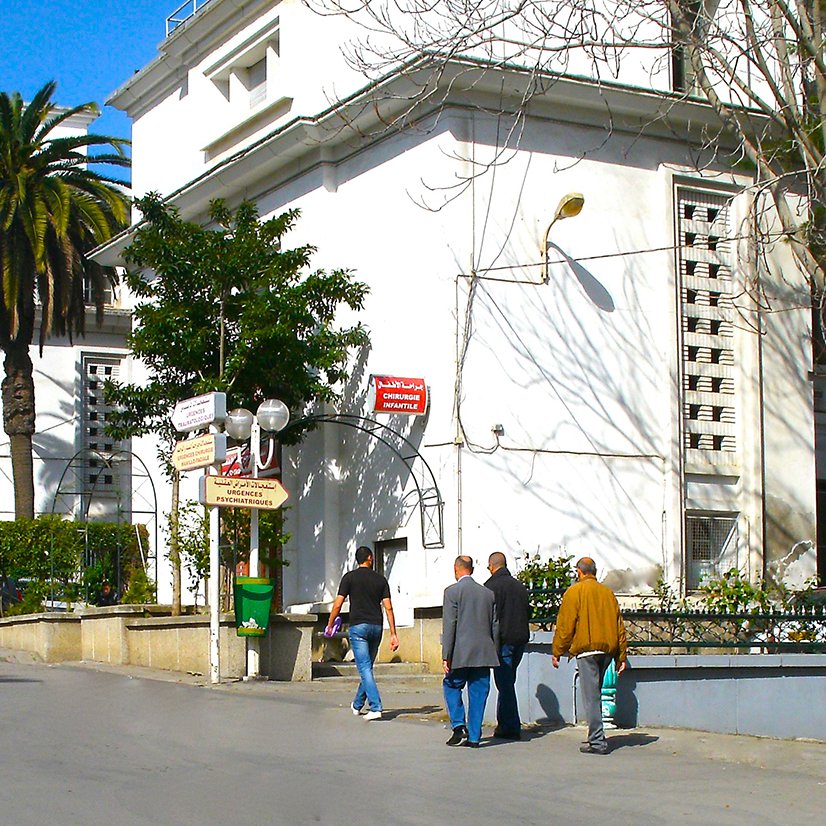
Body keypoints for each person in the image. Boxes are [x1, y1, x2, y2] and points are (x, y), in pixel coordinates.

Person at [552, 556, 628, 755]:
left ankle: (597, 741)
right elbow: (619, 625)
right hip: (607, 651)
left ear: (579, 571)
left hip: (587, 650)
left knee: (591, 697)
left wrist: (558, 650)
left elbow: (566, 625)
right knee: (596, 695)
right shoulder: (607, 593)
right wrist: (621, 655)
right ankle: (595, 736)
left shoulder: (574, 592)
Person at [326, 546, 399, 721]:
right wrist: (393, 634)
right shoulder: (381, 580)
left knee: (364, 668)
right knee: (367, 668)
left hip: (358, 627)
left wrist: (330, 624)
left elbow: (337, 604)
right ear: (370, 558)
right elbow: (388, 607)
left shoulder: (349, 578)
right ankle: (357, 704)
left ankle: (376, 707)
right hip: (376, 627)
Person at [442, 555, 500, 748]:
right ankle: (474, 737)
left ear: (455, 569)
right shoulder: (488, 594)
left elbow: (450, 624)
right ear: (472, 570)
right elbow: (495, 626)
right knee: (478, 693)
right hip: (484, 653)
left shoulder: (451, 592)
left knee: (451, 684)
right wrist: (495, 651)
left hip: (460, 652)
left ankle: (459, 725)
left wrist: (446, 656)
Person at [484, 552, 530, 740]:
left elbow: (489, 617)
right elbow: (528, 612)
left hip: (502, 641)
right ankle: (504, 723)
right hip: (520, 639)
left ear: (492, 566)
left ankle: (511, 726)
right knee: (507, 681)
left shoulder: (490, 587)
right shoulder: (520, 586)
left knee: (504, 684)